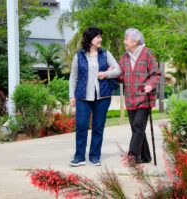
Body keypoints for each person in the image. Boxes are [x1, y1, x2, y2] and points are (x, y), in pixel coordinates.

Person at [69, 27, 121, 167]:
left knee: (98, 127)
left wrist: (106, 74)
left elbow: (117, 70)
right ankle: (79, 157)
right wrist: (71, 96)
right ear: (90, 39)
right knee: (81, 126)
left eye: (100, 36)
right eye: (97, 37)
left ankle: (94, 157)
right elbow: (73, 77)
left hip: (102, 97)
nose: (100, 39)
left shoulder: (105, 54)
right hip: (83, 97)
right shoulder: (78, 56)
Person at [118, 28, 161, 164]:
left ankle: (133, 156)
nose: (124, 41)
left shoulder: (147, 54)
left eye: (126, 38)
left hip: (144, 98)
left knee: (137, 126)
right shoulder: (125, 57)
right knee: (137, 129)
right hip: (130, 99)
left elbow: (156, 74)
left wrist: (150, 84)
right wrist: (109, 73)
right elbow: (120, 75)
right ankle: (146, 156)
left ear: (135, 41)